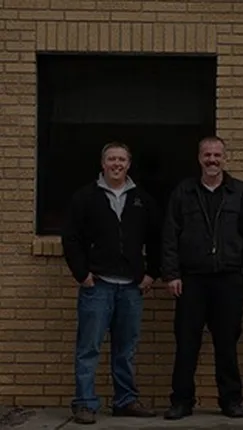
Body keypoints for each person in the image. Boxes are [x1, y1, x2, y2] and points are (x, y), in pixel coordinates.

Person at [161, 136, 243, 420]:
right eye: (207, 155)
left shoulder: (239, 192)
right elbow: (170, 235)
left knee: (227, 344)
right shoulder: (184, 191)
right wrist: (172, 274)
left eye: (217, 155)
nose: (212, 160)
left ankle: (231, 400)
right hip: (191, 280)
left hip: (228, 280)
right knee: (186, 344)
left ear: (225, 158)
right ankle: (181, 401)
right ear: (199, 158)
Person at [61, 142, 161, 425]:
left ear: (129, 164)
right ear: (102, 163)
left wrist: (152, 273)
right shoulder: (85, 197)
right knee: (89, 348)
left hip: (131, 287)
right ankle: (84, 403)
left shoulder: (142, 199)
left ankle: (125, 401)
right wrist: (82, 273)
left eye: (122, 159)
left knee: (125, 349)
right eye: (111, 159)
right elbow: (71, 238)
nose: (117, 164)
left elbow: (157, 238)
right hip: (98, 285)